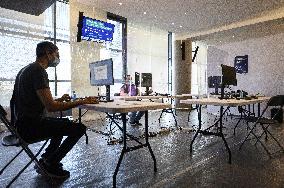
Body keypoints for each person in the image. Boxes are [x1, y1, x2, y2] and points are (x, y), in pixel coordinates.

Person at [12, 41, 98, 179]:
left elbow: (40, 101)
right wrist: (82, 101)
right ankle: (51, 162)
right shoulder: (39, 71)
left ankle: (46, 158)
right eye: (57, 54)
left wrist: (59, 100)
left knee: (60, 123)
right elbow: (51, 108)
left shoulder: (26, 70)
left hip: (22, 125)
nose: (58, 58)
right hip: (30, 128)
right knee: (79, 128)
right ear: (48, 53)